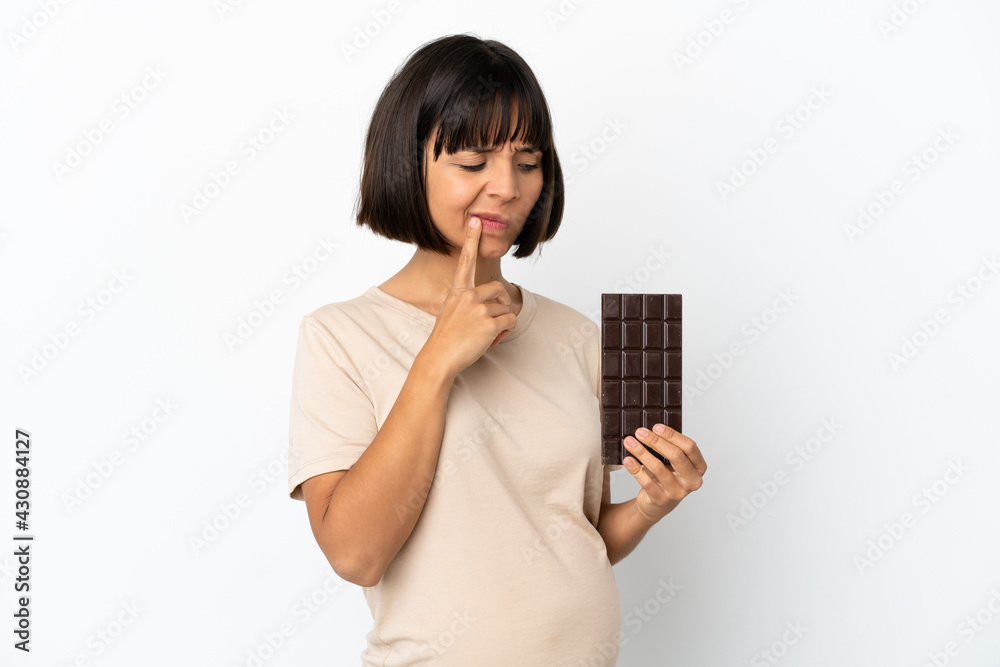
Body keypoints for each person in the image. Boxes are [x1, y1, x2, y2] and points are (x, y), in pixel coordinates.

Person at [287, 33, 707, 666]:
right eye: (474, 162)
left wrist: (650, 505)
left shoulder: (580, 336)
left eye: (528, 161)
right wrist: (437, 359)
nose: (507, 187)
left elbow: (582, 538)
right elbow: (356, 554)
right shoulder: (340, 336)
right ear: (410, 164)